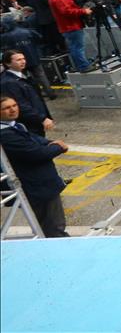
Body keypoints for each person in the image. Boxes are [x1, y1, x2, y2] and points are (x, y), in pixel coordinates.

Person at [0, 95, 70, 237]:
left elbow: (36, 139)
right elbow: (37, 153)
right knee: (53, 226)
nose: (13, 109)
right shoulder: (6, 135)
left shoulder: (16, 126)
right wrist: (59, 147)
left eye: (14, 105)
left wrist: (52, 143)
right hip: (36, 187)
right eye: (7, 108)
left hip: (40, 184)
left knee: (52, 223)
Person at [0, 50, 56, 136]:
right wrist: (42, 118)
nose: (23, 61)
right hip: (28, 124)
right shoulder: (9, 82)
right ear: (8, 64)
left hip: (34, 121)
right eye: (18, 60)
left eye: (23, 59)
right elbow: (21, 105)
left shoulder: (21, 76)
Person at [0, 17, 56, 99]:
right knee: (41, 76)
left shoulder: (4, 37)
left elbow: (4, 49)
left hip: (17, 62)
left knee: (24, 80)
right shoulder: (28, 31)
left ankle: (36, 95)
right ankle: (51, 94)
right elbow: (39, 38)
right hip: (33, 58)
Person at [47, 0, 93, 73]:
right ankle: (83, 66)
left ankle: (81, 66)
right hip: (71, 26)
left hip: (70, 26)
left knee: (75, 47)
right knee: (77, 47)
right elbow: (66, 12)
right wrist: (83, 11)